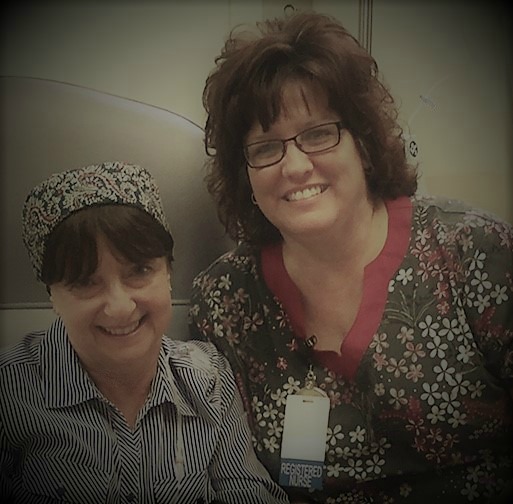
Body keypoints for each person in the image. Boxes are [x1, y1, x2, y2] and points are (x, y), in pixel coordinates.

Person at [188, 11, 513, 504]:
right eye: (267, 147)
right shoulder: (223, 300)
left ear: (363, 143)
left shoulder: (476, 254)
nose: (295, 166)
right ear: (245, 173)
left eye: (318, 134)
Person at [0, 161, 289, 504]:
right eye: (85, 282)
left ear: (168, 273)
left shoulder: (208, 380)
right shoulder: (10, 394)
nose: (120, 307)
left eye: (139, 270)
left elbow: (247, 490)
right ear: (52, 296)